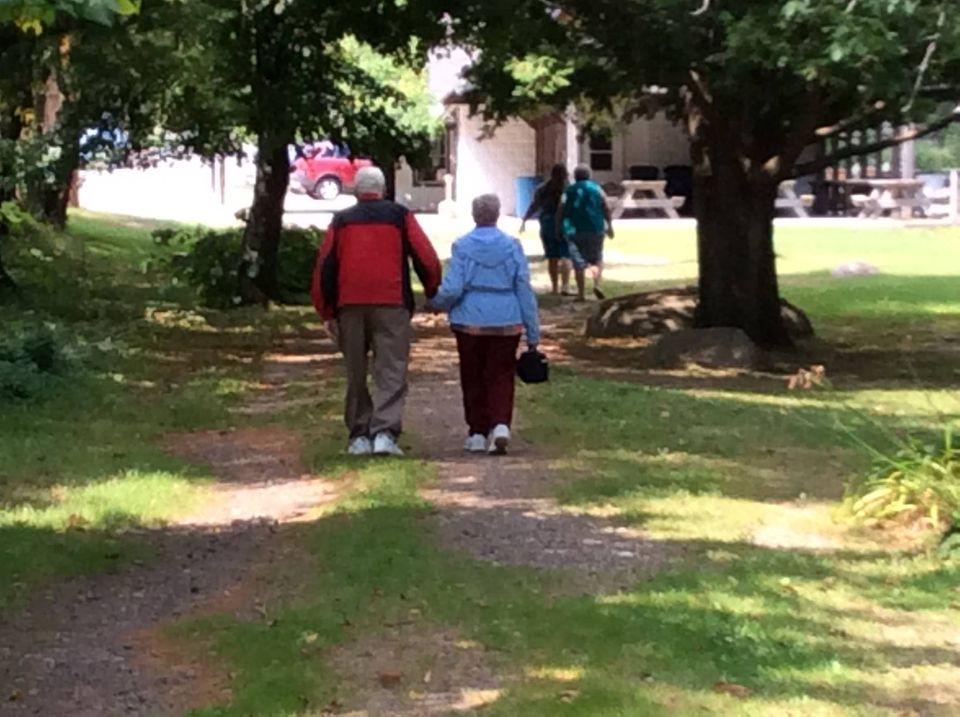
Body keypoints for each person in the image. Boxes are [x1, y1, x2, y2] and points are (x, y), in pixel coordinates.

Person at [311, 166, 442, 457]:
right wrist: (432, 291)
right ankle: (384, 432)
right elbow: (426, 257)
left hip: (349, 304)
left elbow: (325, 267)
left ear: (356, 191)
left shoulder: (341, 220)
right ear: (382, 190)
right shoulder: (399, 216)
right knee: (391, 368)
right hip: (392, 302)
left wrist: (326, 311)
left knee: (355, 371)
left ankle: (359, 436)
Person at [429, 194, 540, 455]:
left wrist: (435, 303)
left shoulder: (462, 246)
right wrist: (533, 331)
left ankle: (477, 432)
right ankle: (500, 424)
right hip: (507, 318)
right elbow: (523, 287)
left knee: (472, 375)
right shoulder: (512, 246)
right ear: (497, 214)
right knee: (502, 373)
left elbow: (454, 287)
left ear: (474, 215)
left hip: (469, 320)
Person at [560, 164, 614, 301]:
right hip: (595, 228)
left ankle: (581, 294)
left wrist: (558, 226)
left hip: (573, 229)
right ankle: (597, 284)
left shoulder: (569, 190)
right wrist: (609, 225)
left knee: (578, 262)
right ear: (589, 176)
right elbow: (606, 206)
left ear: (575, 176)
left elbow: (561, 209)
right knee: (597, 258)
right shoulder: (597, 189)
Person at [520, 163, 572, 295]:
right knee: (566, 255)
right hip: (565, 224)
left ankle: (554, 287)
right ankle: (565, 286)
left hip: (547, 223)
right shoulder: (568, 189)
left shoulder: (542, 189)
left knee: (552, 257)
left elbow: (535, 205)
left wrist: (525, 219)